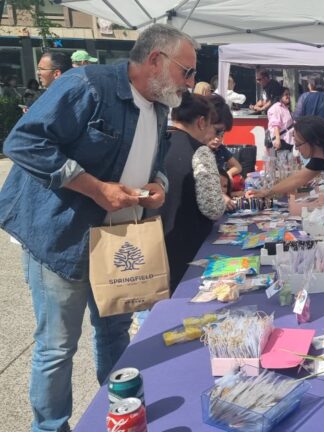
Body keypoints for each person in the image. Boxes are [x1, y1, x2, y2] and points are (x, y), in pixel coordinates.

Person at [0, 23, 197, 432]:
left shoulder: (159, 103)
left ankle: (120, 413)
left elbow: (153, 160)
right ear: (156, 61)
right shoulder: (87, 84)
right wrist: (95, 189)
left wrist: (157, 186)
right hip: (62, 239)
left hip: (116, 239)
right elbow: (23, 143)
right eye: (187, 71)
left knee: (114, 333)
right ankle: (51, 428)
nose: (190, 83)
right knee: (57, 347)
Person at [155, 92, 227, 292]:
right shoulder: (200, 152)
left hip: (153, 241)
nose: (214, 135)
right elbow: (212, 207)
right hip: (188, 247)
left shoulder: (157, 142)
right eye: (214, 128)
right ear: (202, 122)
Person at [267, 86, 295, 152]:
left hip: (288, 140)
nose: (288, 96)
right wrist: (278, 140)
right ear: (280, 96)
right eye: (286, 94)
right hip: (282, 140)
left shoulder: (285, 108)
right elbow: (276, 125)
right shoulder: (276, 108)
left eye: (289, 94)